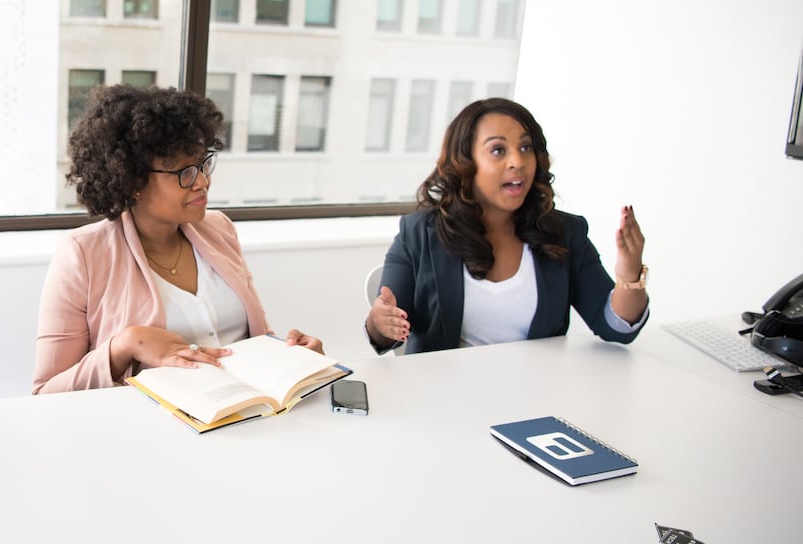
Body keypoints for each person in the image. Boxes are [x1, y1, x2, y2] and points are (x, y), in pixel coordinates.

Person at [33, 84, 323, 394]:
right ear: (133, 180)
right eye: (183, 172)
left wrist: (293, 357)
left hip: (243, 415)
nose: (202, 182)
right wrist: (123, 346)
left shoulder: (219, 230)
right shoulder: (82, 255)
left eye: (202, 164)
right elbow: (46, 391)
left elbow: (255, 343)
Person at [364, 98, 649, 354]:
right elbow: (387, 332)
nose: (518, 161)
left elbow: (615, 328)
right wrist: (380, 322)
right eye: (498, 150)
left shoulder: (564, 232)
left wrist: (629, 273)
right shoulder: (419, 233)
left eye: (526, 147)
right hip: (443, 397)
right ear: (466, 163)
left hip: (535, 395)